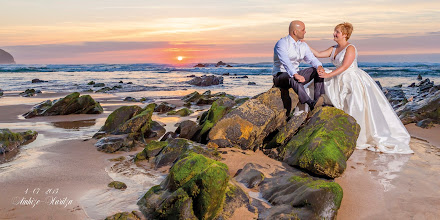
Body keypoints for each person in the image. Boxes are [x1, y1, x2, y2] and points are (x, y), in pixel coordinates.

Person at [306, 22, 413, 154]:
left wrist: (328, 74)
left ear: (345, 35)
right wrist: (303, 43)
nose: (334, 34)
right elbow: (317, 54)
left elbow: (344, 67)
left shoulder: (350, 48)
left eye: (337, 32)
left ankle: (357, 136)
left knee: (354, 105)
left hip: (351, 79)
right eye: (334, 31)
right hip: (338, 78)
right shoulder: (333, 48)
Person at [272, 20, 326, 111]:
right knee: (292, 76)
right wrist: (295, 74)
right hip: (280, 76)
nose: (305, 32)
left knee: (316, 71)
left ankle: (318, 100)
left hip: (295, 76)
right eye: (303, 30)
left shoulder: (303, 45)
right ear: (295, 32)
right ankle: (309, 103)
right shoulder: (282, 43)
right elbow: (286, 62)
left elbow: (311, 58)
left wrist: (319, 66)